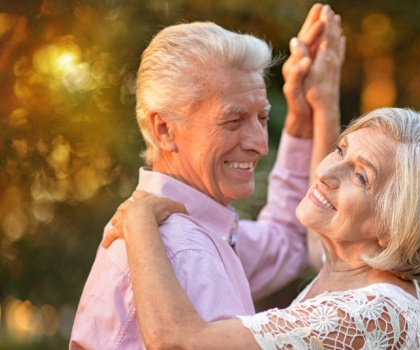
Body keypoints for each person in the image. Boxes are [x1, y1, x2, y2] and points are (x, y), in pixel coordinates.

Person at [70, 4, 345, 349]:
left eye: (262, 118)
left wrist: (305, 117)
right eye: (233, 121)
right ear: (164, 129)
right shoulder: (183, 248)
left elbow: (288, 241)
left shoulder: (195, 230)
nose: (260, 145)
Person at [104, 107, 420, 349]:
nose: (326, 173)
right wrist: (318, 101)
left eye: (362, 177)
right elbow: (313, 243)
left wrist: (139, 220)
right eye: (340, 149)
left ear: (395, 226)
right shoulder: (350, 272)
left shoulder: (375, 312)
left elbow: (181, 344)